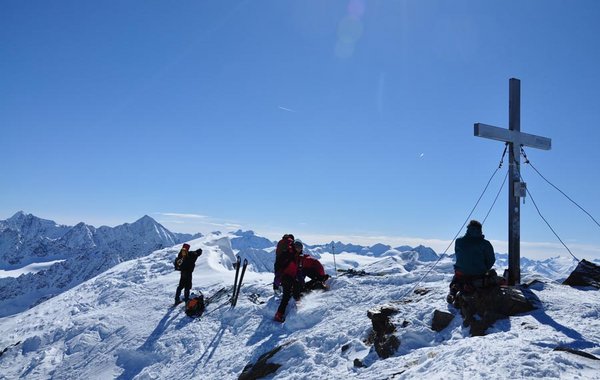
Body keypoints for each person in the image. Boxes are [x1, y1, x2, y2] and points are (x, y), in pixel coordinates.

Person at [447, 220, 495, 304]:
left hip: (460, 274)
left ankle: (453, 291)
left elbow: (458, 255)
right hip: (478, 275)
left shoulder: (459, 241)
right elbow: (491, 260)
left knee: (457, 278)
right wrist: (483, 268)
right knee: (492, 275)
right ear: (480, 230)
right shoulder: (485, 244)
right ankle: (472, 288)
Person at [274, 239, 302, 322]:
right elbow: (278, 265)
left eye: (300, 247)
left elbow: (297, 269)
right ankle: (279, 315)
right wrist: (278, 277)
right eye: (297, 246)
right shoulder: (288, 254)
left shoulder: (297, 256)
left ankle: (297, 301)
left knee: (297, 285)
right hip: (285, 276)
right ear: (294, 246)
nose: (299, 248)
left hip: (291, 276)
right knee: (286, 296)